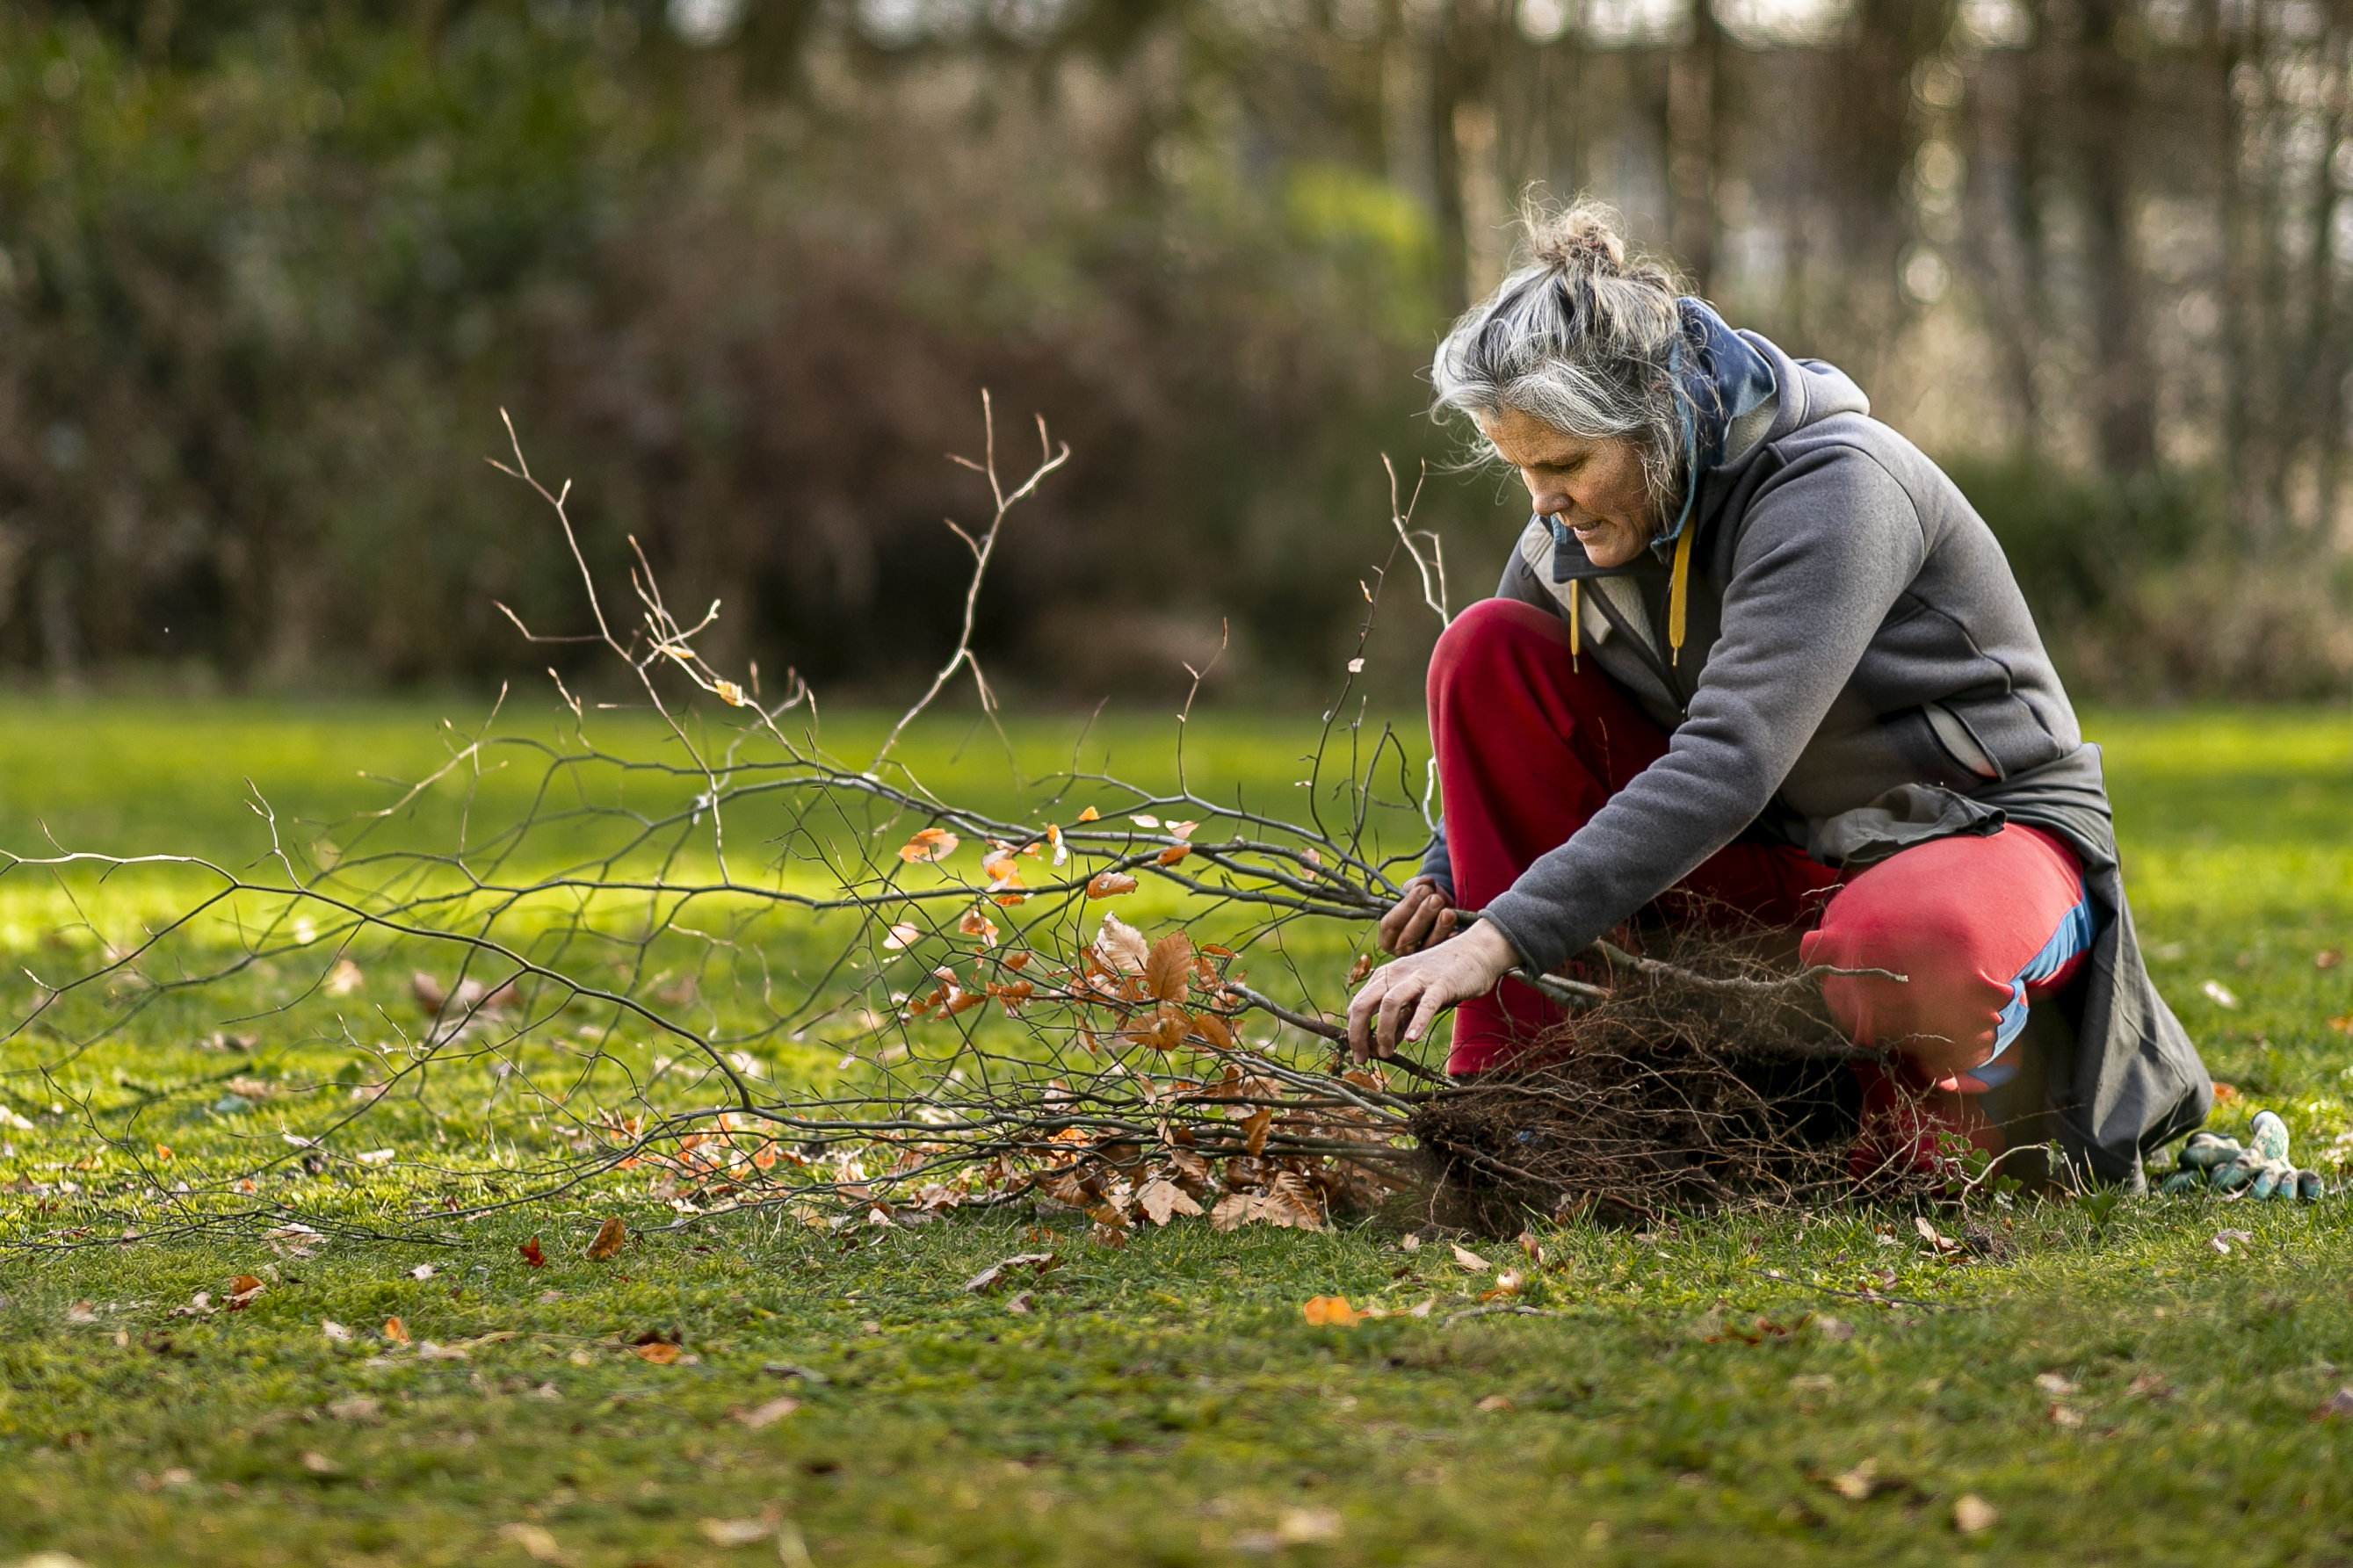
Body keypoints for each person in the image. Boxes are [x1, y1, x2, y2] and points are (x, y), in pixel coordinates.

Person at [1343, 200, 2209, 1186]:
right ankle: (1521, 1105)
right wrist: (1447, 873)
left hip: (1977, 837)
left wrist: (1501, 935)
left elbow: (1729, 760)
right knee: (1483, 647)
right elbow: (1504, 711)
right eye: (1522, 471)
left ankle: (1961, 1107)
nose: (1542, 503)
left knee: (1900, 952)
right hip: (1784, 856)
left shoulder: (1836, 488)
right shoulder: (1581, 524)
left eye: (1565, 465)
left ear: (1652, 417)